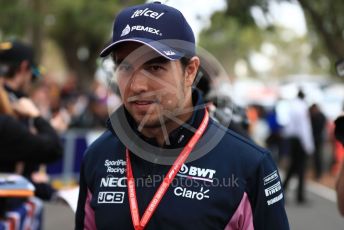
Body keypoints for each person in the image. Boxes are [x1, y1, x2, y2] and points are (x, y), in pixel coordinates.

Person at [75, 2, 289, 229]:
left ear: (190, 72)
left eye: (155, 67)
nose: (136, 85)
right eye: (125, 67)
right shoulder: (97, 156)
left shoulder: (249, 165)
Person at [0, 40, 63, 200]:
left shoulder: (15, 102)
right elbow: (51, 149)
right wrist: (39, 119)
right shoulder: (14, 108)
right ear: (24, 67)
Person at [282, 90, 314, 204]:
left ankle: (283, 191)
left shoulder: (292, 106)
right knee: (300, 168)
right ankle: (300, 195)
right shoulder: (302, 107)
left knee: (293, 167)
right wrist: (308, 146)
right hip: (300, 141)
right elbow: (304, 128)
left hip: (291, 139)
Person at [309, 103, 327, 180]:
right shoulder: (314, 116)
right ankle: (317, 173)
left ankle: (319, 174)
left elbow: (319, 128)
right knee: (315, 157)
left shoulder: (320, 116)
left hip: (318, 140)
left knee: (318, 157)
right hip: (314, 139)